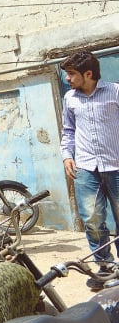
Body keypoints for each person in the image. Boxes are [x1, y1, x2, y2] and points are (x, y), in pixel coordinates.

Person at [59, 51, 119, 289]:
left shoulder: (115, 91)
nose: (67, 79)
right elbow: (68, 130)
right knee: (93, 219)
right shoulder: (70, 99)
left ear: (89, 74)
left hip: (116, 166)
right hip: (85, 167)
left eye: (71, 74)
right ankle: (105, 268)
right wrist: (66, 156)